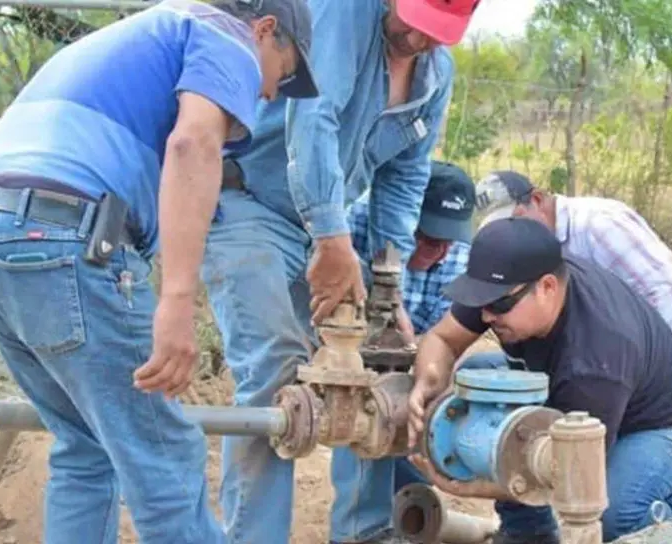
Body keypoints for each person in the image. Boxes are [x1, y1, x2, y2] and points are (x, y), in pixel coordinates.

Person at [0, 0, 316, 541]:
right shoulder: (225, 36)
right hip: (64, 241)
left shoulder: (146, 35)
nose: (268, 95)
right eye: (280, 76)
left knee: (85, 449)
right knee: (165, 462)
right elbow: (192, 144)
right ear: (265, 30)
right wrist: (175, 301)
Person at [197, 0, 482, 542]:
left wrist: (387, 280)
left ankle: (364, 532)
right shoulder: (344, 15)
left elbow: (406, 172)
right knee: (274, 372)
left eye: (437, 34)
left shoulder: (434, 77)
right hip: (250, 206)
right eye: (413, 23)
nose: (419, 41)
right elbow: (314, 118)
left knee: (381, 359)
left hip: (325, 231)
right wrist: (332, 237)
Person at [405, 217, 672, 544]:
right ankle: (529, 536)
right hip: (576, 390)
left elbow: (570, 475)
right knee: (484, 381)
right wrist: (429, 379)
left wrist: (468, 486)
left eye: (498, 304)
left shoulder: (595, 359)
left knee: (615, 516)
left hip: (667, 425)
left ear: (547, 288)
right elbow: (441, 340)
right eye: (480, 301)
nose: (485, 316)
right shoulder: (506, 287)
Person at [475, 170, 672, 408]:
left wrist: (666, 370)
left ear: (538, 200)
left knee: (659, 436)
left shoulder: (599, 226)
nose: (513, 231)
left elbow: (665, 292)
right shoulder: (533, 249)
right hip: (613, 355)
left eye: (515, 219)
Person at [348, 160, 474, 343]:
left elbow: (446, 340)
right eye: (432, 241)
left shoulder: (461, 259)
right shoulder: (357, 220)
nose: (444, 254)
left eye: (450, 241)